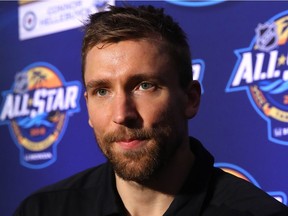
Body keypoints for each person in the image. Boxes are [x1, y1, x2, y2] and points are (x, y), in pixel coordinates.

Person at [14, 5, 288, 216]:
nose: (122, 114)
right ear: (86, 105)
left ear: (190, 99)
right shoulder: (43, 209)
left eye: (144, 85)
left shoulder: (256, 212)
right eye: (102, 91)